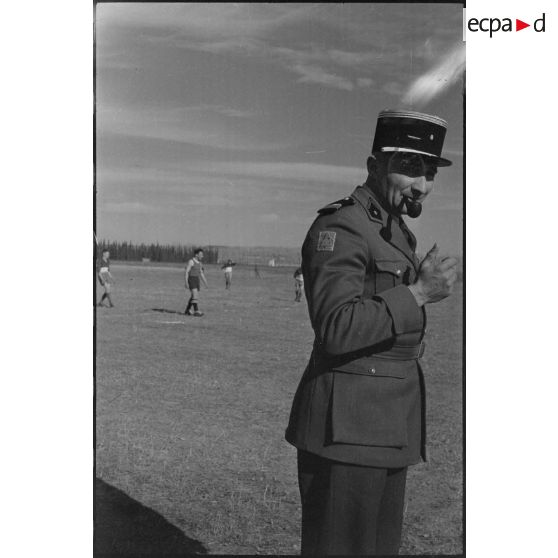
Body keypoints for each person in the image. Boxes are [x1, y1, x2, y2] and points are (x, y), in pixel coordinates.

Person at [285, 109, 458, 555]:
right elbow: (336, 328)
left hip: (384, 426)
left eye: (428, 172)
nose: (421, 186)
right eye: (409, 168)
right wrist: (417, 294)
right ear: (374, 165)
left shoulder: (394, 231)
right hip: (348, 432)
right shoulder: (342, 226)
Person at [184, 248, 209, 317]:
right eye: (201, 254)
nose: (202, 256)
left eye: (202, 255)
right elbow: (187, 272)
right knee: (195, 295)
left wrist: (205, 282)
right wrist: (186, 282)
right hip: (191, 279)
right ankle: (196, 311)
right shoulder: (191, 261)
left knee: (193, 296)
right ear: (196, 255)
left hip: (196, 280)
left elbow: (201, 273)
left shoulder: (200, 263)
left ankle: (187, 310)